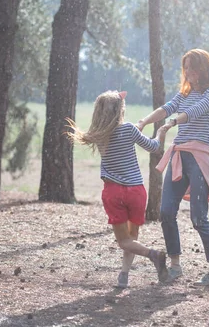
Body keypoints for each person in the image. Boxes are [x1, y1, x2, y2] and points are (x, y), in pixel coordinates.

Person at [137, 48, 209, 286]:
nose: (188, 72)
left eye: (192, 67)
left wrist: (172, 123)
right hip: (179, 157)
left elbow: (194, 112)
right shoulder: (184, 93)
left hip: (198, 158)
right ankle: (175, 265)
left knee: (199, 218)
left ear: (204, 69)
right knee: (166, 211)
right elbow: (167, 107)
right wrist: (145, 121)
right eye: (185, 67)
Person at [66, 90, 170, 288]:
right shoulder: (129, 129)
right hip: (136, 191)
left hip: (114, 192)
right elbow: (154, 147)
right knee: (132, 237)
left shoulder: (97, 135)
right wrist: (160, 134)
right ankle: (124, 275)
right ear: (120, 110)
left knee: (124, 241)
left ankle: (152, 255)